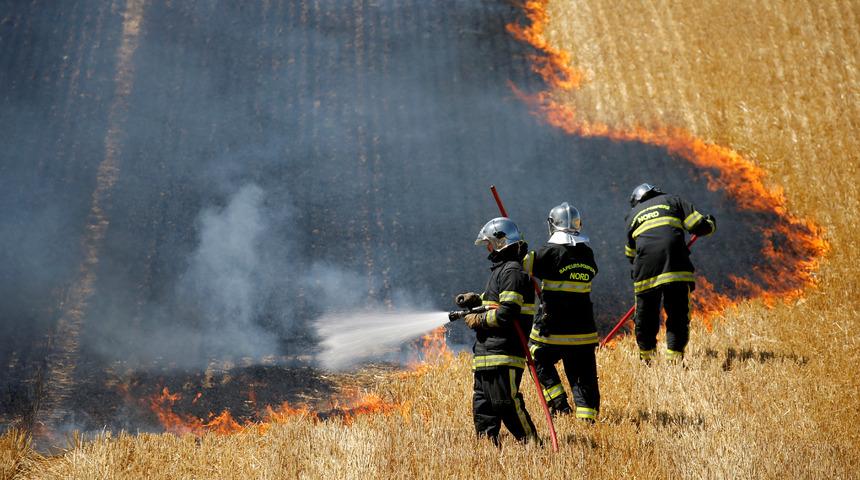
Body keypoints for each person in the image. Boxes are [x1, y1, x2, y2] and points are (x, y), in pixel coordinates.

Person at [455, 217, 538, 445]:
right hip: (486, 352)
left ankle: (532, 446)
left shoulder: (512, 271)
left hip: (504, 351)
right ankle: (487, 449)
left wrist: (478, 320)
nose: (488, 248)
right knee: (482, 404)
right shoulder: (501, 271)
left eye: (489, 243)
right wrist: (475, 300)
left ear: (501, 241)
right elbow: (494, 303)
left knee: (505, 403)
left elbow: (506, 313)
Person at [525, 202, 600, 421]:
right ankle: (588, 416)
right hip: (584, 329)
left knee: (536, 358)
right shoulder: (587, 253)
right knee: (584, 374)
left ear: (552, 224)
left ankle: (558, 405)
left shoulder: (549, 252)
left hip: (554, 328)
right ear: (578, 224)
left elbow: (523, 266)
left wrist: (520, 250)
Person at [624, 183, 716, 362]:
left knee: (645, 314)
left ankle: (647, 358)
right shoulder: (673, 201)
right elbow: (698, 226)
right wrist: (711, 224)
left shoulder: (632, 216)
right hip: (675, 264)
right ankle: (674, 358)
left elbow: (630, 254)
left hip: (645, 269)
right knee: (677, 313)